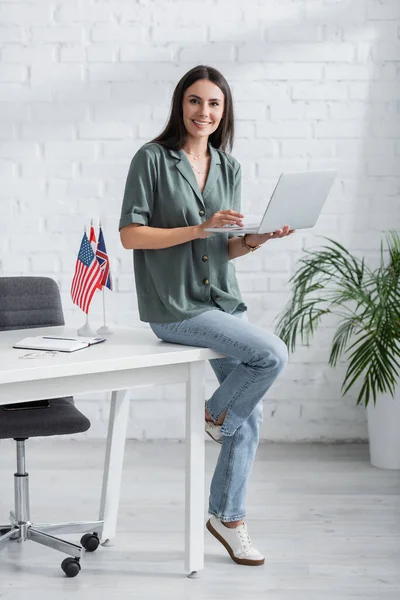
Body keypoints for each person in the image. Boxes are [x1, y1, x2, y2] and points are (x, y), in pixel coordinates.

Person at [119, 65, 294, 567]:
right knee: (271, 355)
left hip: (222, 302)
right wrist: (199, 228)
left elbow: (223, 247)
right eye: (195, 101)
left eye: (213, 104)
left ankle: (227, 518)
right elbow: (132, 235)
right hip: (173, 307)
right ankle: (214, 415)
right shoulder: (152, 159)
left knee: (252, 411)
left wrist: (254, 240)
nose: (204, 112)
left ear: (224, 111)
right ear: (180, 105)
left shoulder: (228, 167)